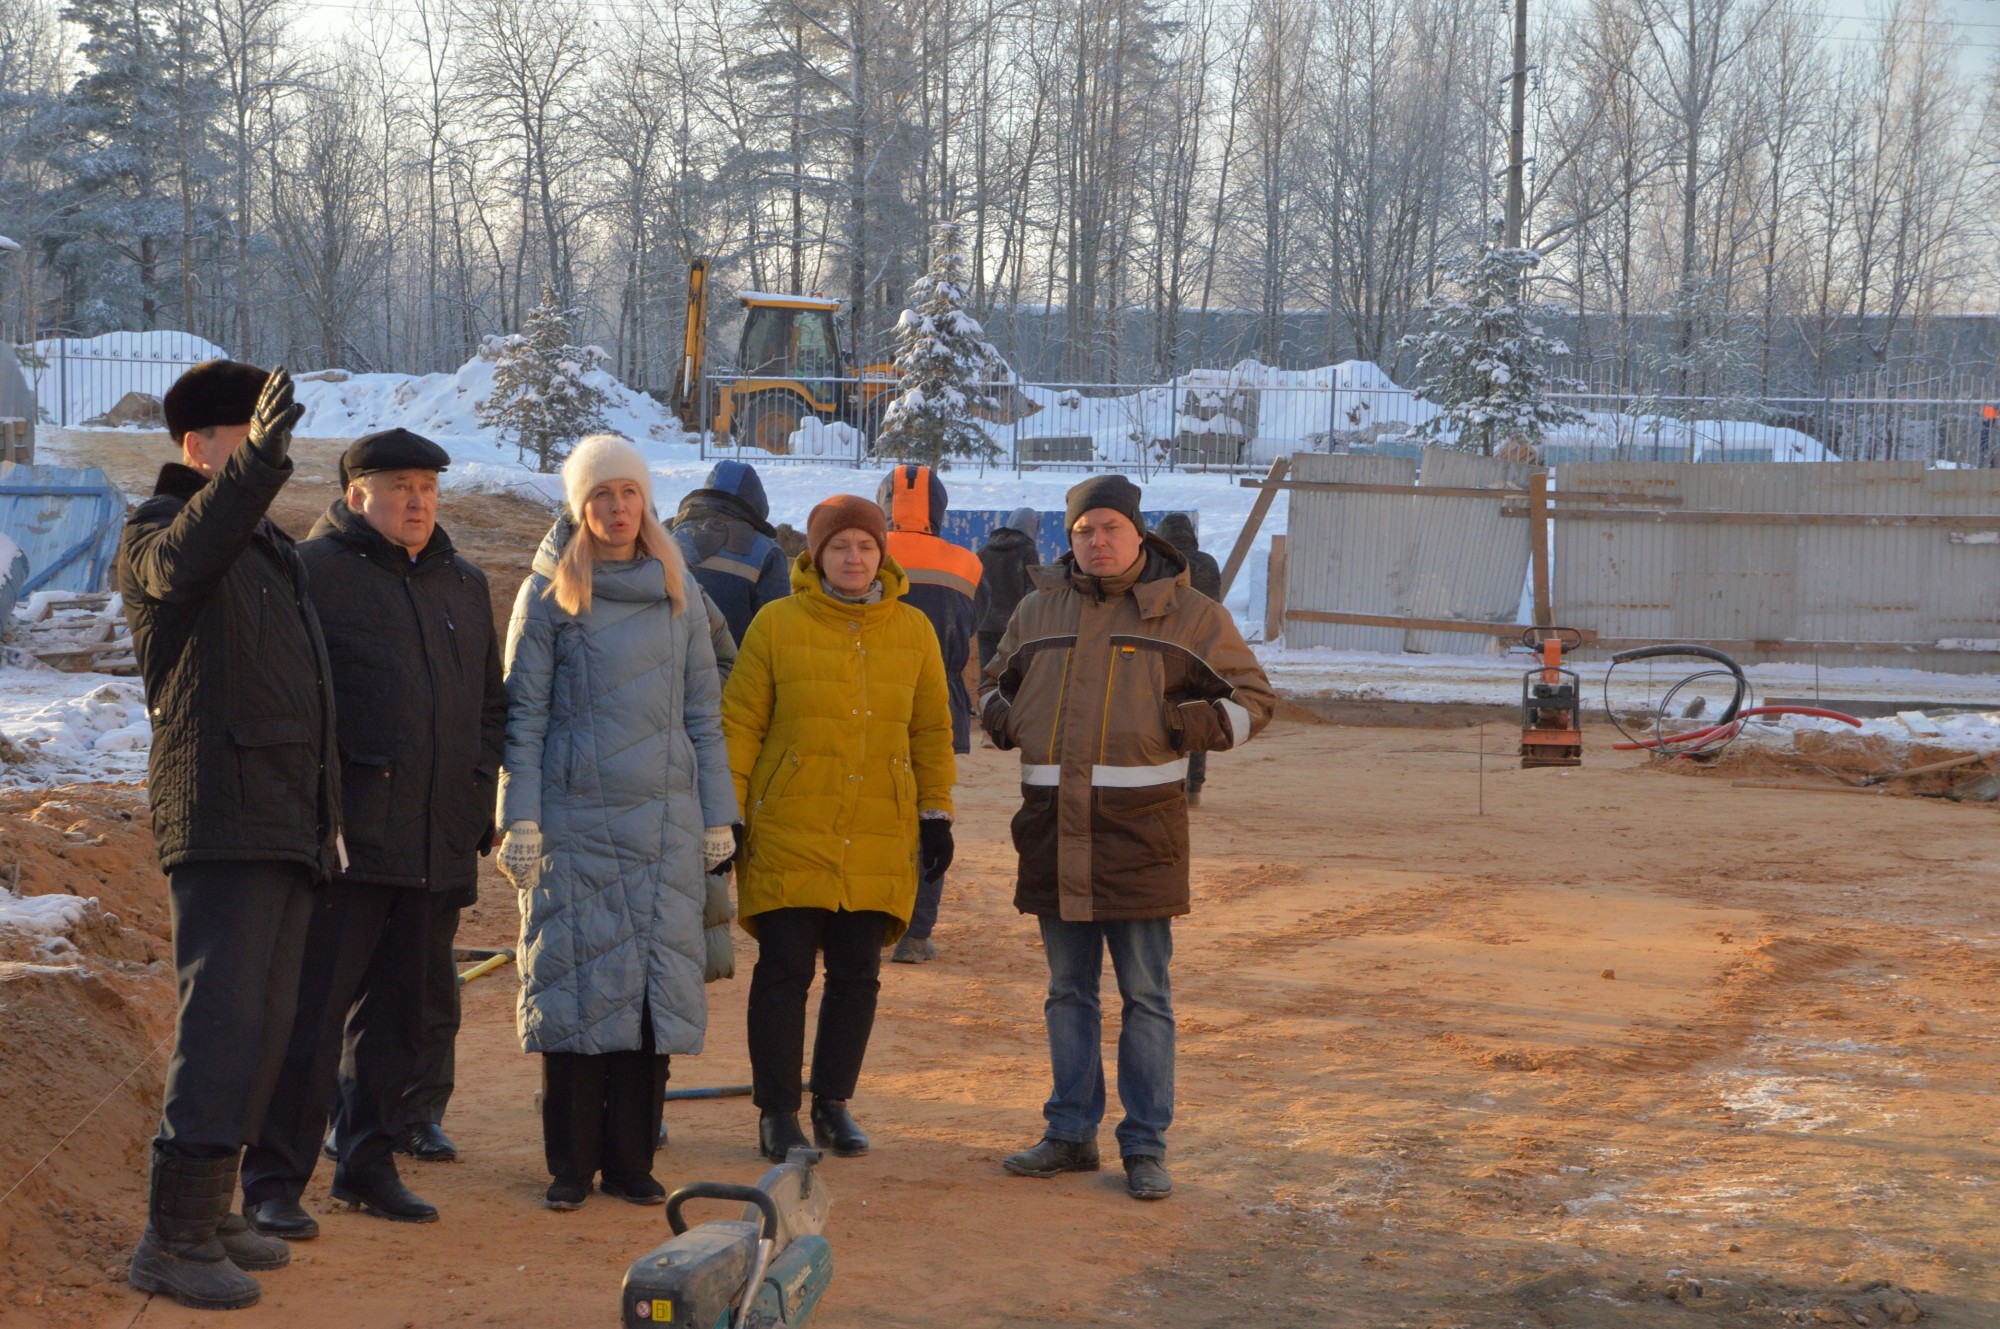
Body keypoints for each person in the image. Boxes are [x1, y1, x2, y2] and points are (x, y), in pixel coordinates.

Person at [238, 430, 507, 1237]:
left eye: (427, 486)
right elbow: (286, 703)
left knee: (401, 1019)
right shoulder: (310, 574)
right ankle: (274, 1180)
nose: (418, 501)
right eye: (399, 487)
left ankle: (368, 1162)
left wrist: (475, 794)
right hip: (345, 845)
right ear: (357, 494)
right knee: (311, 1019)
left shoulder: (463, 583)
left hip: (434, 842)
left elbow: (490, 708)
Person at [981, 475, 1275, 1202]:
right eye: (1085, 531)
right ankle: (1069, 1133)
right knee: (1066, 992)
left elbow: (1255, 699)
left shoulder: (1189, 614)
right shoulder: (1036, 607)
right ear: (1070, 537)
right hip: (1052, 831)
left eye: (1111, 527)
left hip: (1140, 836)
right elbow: (994, 680)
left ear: (1139, 534)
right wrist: (1003, 718)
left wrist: (1181, 726)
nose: (1098, 541)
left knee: (1146, 994)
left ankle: (1145, 1145)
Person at [117, 361, 332, 1309]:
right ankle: (171, 1234)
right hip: (218, 810)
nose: (264, 450)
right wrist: (254, 475)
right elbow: (176, 569)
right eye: (250, 433)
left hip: (283, 814)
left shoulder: (263, 546)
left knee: (268, 1024)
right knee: (221, 1024)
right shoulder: (156, 531)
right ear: (200, 445)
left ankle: (216, 1209)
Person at [496, 434, 738, 1211]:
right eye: (600, 495)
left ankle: (631, 1161)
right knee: (573, 989)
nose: (616, 507)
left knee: (647, 995)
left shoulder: (680, 592)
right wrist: (520, 819)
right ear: (580, 506)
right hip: (573, 826)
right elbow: (523, 718)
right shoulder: (548, 596)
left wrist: (718, 818)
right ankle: (570, 1165)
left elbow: (705, 714)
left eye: (627, 492)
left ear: (646, 500)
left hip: (667, 827)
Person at [722, 494, 955, 1162]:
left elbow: (932, 729)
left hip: (879, 824)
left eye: (865, 546)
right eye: (839, 546)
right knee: (784, 970)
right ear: (815, 554)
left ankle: (833, 1102)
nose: (854, 558)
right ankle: (777, 1113)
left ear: (883, 554)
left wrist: (935, 812)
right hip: (792, 822)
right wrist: (729, 812)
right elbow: (740, 723)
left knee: (857, 973)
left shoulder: (913, 631)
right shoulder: (775, 623)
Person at [874, 465, 979, 965]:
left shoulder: (863, 554)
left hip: (873, 701)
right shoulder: (964, 563)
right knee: (930, 814)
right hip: (940, 705)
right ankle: (916, 934)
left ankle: (870, 922)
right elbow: (972, 641)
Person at [670, 459, 790, 645]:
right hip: (736, 668)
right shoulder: (768, 552)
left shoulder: (666, 536)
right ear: (757, 502)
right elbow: (778, 628)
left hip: (671, 665)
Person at [1153, 513, 1223, 807]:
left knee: (1164, 713)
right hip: (1205, 645)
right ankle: (1195, 784)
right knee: (1198, 712)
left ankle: (1170, 782)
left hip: (1170, 646)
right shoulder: (1208, 562)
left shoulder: (1163, 563)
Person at [973, 507, 1041, 669]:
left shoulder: (984, 551)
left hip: (985, 625)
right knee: (1013, 676)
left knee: (988, 676)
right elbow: (1034, 592)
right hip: (1015, 626)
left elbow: (974, 588)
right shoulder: (1027, 552)